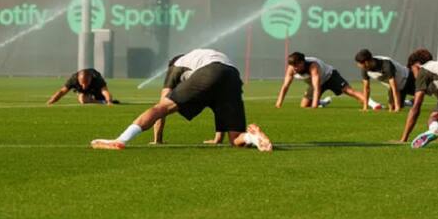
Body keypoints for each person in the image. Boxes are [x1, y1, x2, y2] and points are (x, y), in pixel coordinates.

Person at [90, 48, 271, 151]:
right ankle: (252, 137)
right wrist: (218, 139)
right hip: (233, 75)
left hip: (210, 71)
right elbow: (218, 107)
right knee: (236, 139)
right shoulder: (203, 55)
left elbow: (161, 108)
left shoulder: (177, 66)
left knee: (161, 108)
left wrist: (158, 139)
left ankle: (121, 139)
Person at [275, 52, 369, 109]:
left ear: (302, 62)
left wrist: (314, 107)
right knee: (304, 105)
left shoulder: (313, 66)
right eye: (292, 65)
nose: (294, 68)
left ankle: (373, 104)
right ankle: (322, 102)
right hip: (316, 83)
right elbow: (285, 86)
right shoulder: (291, 68)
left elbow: (317, 87)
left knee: (349, 91)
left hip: (330, 76)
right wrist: (278, 104)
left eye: (296, 65)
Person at [47, 68, 116, 105]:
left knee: (104, 98)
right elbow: (62, 91)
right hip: (82, 90)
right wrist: (52, 100)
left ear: (90, 79)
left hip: (95, 88)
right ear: (78, 80)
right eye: (82, 83)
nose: (84, 86)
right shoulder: (73, 79)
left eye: (86, 83)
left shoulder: (97, 79)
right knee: (82, 99)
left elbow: (105, 91)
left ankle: (101, 101)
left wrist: (109, 101)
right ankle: (94, 101)